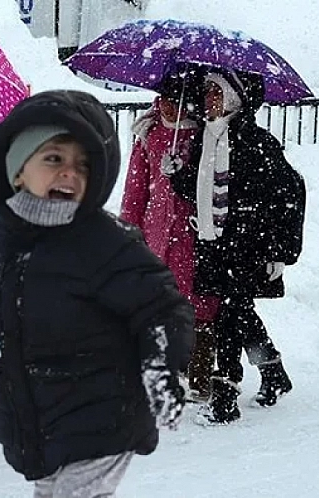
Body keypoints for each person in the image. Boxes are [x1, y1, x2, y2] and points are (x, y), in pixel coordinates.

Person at [0, 90, 195, 498]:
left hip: (103, 412)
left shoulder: (106, 243)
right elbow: (7, 308)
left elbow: (161, 308)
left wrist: (161, 365)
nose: (69, 172)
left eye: (82, 164)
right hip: (45, 416)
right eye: (54, 159)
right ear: (18, 168)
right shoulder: (3, 238)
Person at [167, 68, 306, 425]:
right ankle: (273, 369)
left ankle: (225, 394)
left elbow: (288, 195)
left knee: (229, 316)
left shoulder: (256, 142)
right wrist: (176, 173)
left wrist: (280, 251)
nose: (207, 98)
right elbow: (197, 190)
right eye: (206, 92)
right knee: (238, 311)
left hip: (247, 244)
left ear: (233, 98)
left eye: (215, 92)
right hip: (211, 242)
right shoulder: (204, 139)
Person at [120, 69, 221, 401]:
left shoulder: (207, 136)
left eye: (173, 100)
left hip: (194, 236)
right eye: (162, 98)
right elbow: (135, 191)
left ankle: (200, 371)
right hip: (156, 234)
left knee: (199, 304)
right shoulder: (149, 134)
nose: (165, 107)